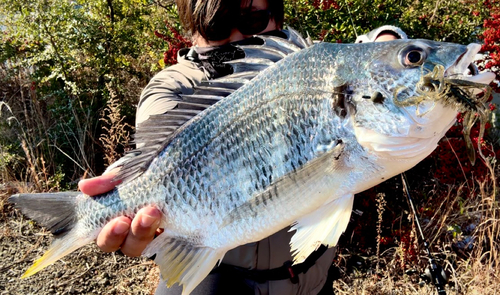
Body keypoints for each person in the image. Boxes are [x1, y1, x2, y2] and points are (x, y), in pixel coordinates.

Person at [78, 1, 406, 294]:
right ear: (194, 32)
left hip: (312, 277)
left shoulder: (310, 63)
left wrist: (390, 42)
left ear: (277, 19)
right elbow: (157, 156)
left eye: (253, 20)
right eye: (218, 26)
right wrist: (127, 190)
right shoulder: (172, 88)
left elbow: (364, 57)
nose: (237, 36)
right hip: (219, 278)